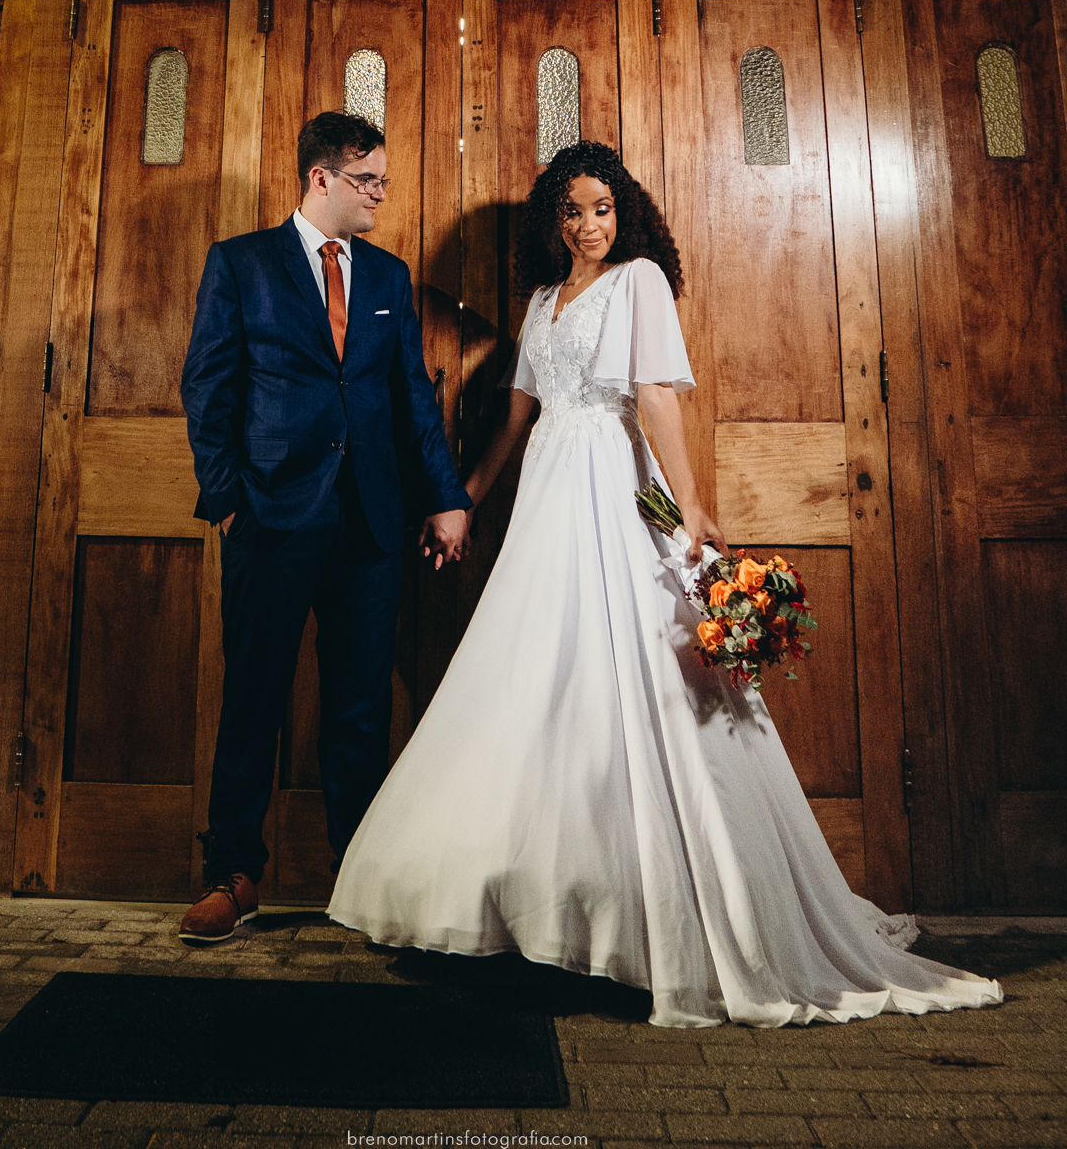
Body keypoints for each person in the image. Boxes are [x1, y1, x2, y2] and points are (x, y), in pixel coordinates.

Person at [328, 141, 1002, 1028]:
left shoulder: (640, 280)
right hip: (546, 496)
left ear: (626, 213)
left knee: (634, 662)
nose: (588, 225)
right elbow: (517, 414)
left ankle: (656, 915)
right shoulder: (541, 300)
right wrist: (467, 498)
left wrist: (691, 509)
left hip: (613, 484)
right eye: (571, 211)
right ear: (552, 223)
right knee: (536, 668)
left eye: (603, 209)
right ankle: (535, 907)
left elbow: (656, 398)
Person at [178, 111, 472, 944]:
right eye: (367, 180)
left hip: (370, 522)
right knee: (253, 700)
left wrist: (445, 496)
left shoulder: (386, 276)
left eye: (381, 180)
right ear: (320, 179)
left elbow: (413, 397)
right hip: (270, 515)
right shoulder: (240, 263)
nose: (381, 193)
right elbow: (209, 386)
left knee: (358, 710)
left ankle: (359, 878)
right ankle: (233, 877)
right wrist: (229, 496)